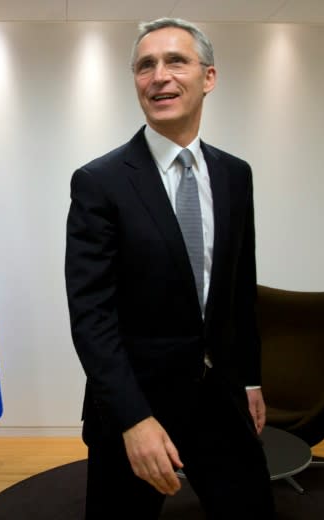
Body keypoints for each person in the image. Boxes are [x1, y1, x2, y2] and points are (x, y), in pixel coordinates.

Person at [64, 18, 276, 519]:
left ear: (208, 77)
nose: (159, 76)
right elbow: (92, 316)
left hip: (220, 401)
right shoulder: (100, 182)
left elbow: (238, 289)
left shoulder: (234, 175)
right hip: (135, 410)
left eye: (175, 61)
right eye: (145, 66)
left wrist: (248, 378)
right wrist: (133, 418)